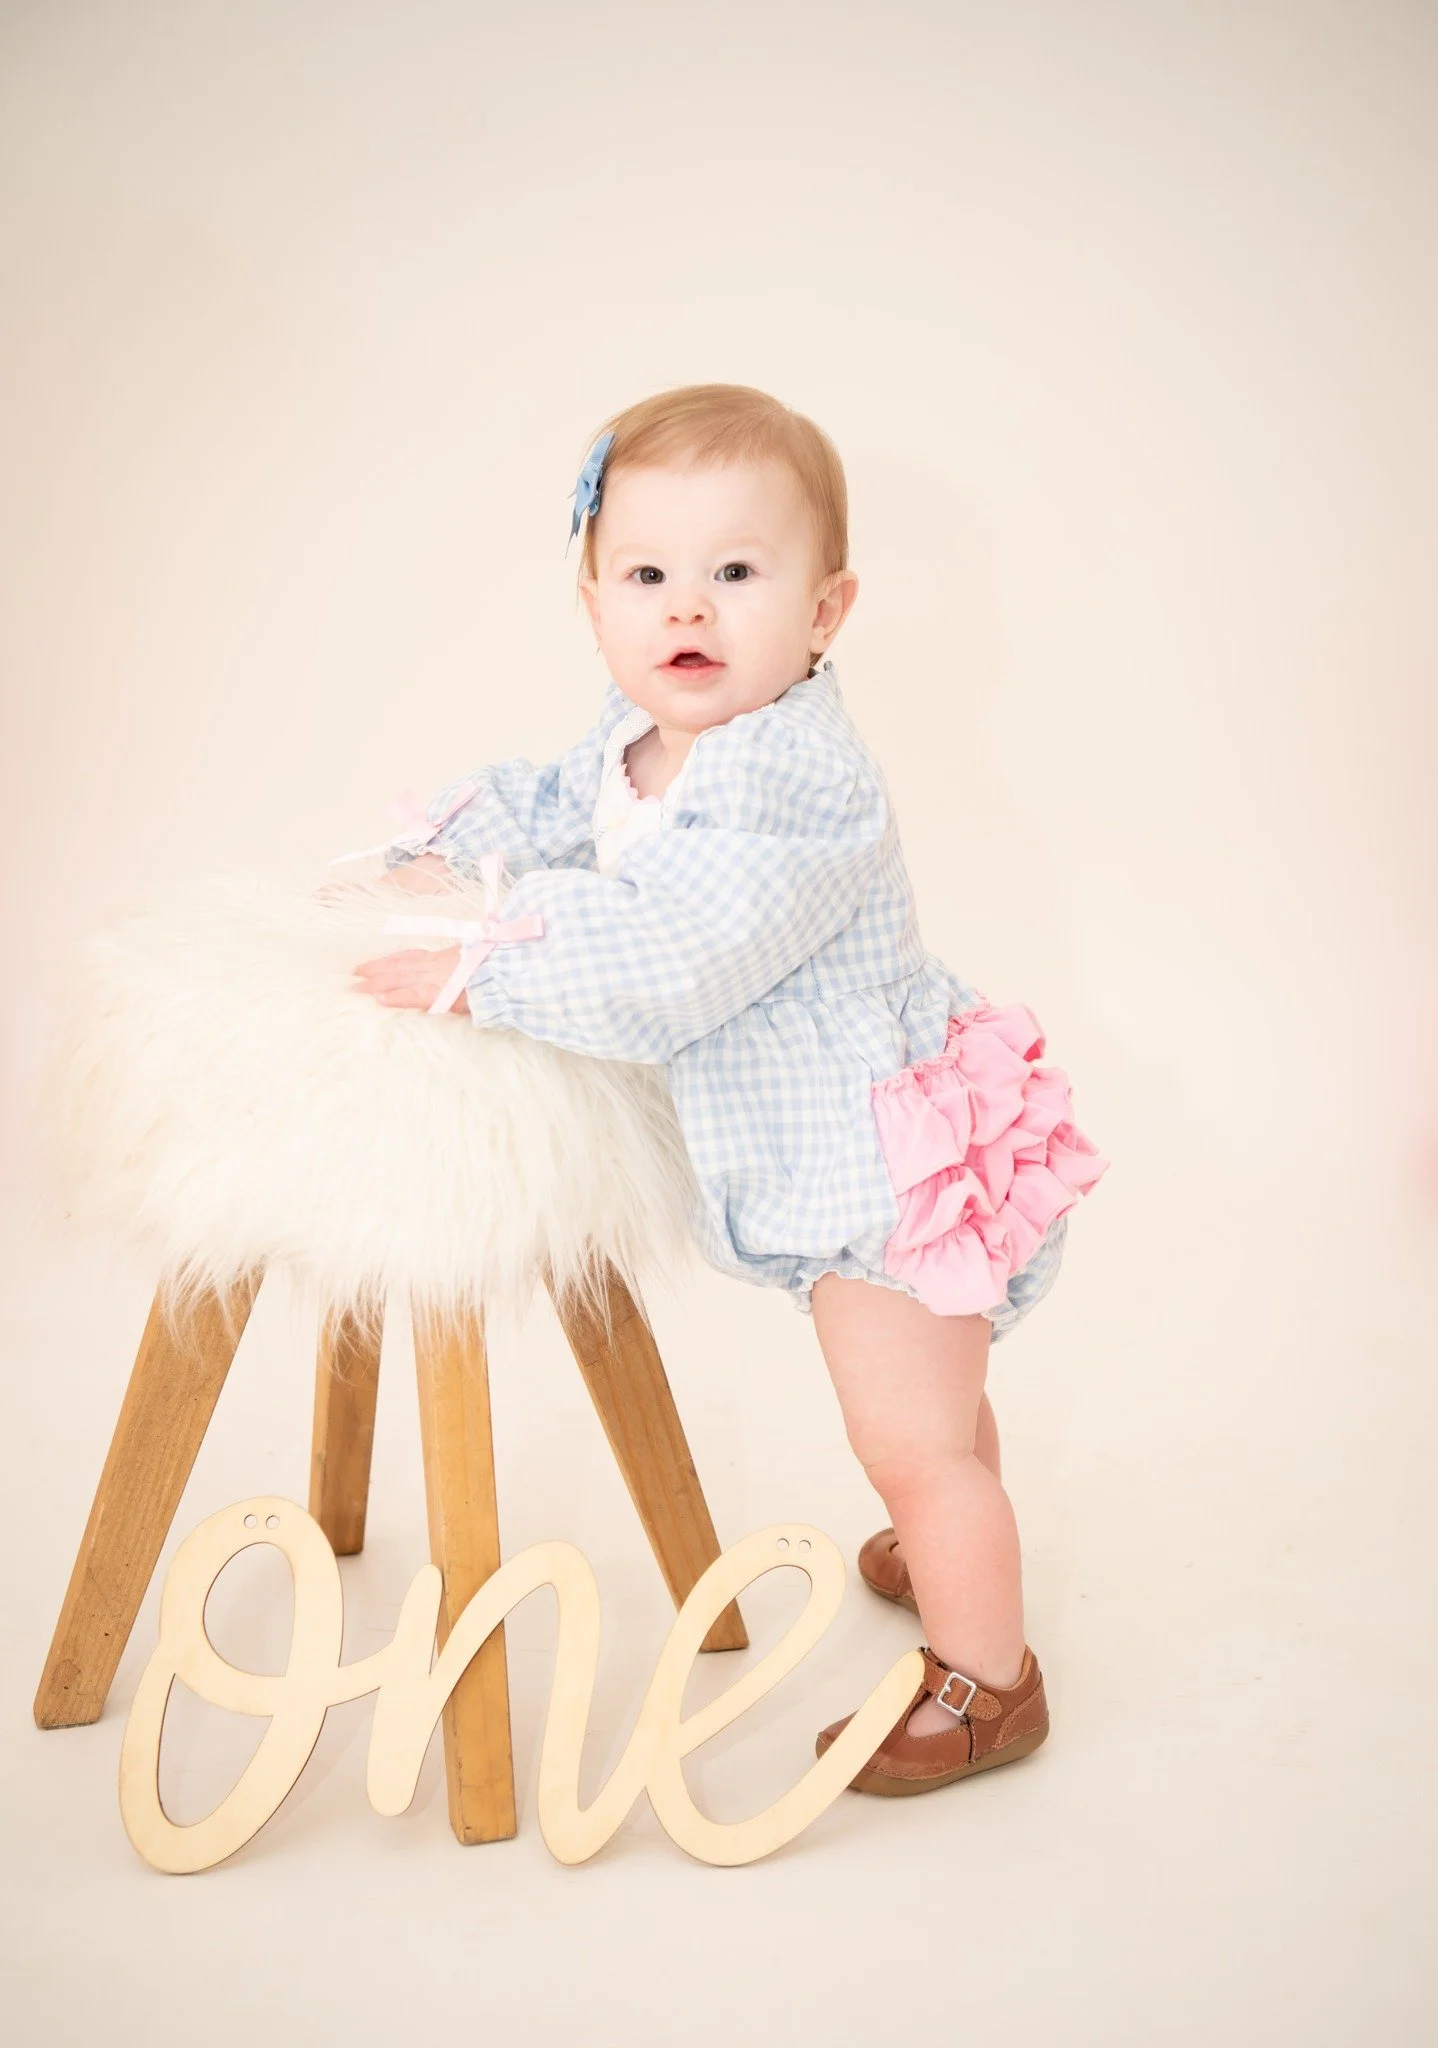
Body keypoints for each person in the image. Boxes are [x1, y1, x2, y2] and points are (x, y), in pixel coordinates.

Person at [353, 382, 1108, 1795]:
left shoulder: (795, 780)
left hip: (881, 1161)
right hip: (819, 1143)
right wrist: (442, 849)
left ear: (824, 612)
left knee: (909, 1440)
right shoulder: (642, 738)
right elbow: (556, 804)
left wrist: (483, 972)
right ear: (592, 604)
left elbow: (668, 964)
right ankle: (950, 1516)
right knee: (932, 1420)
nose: (685, 611)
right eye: (646, 576)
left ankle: (988, 1683)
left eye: (735, 574)